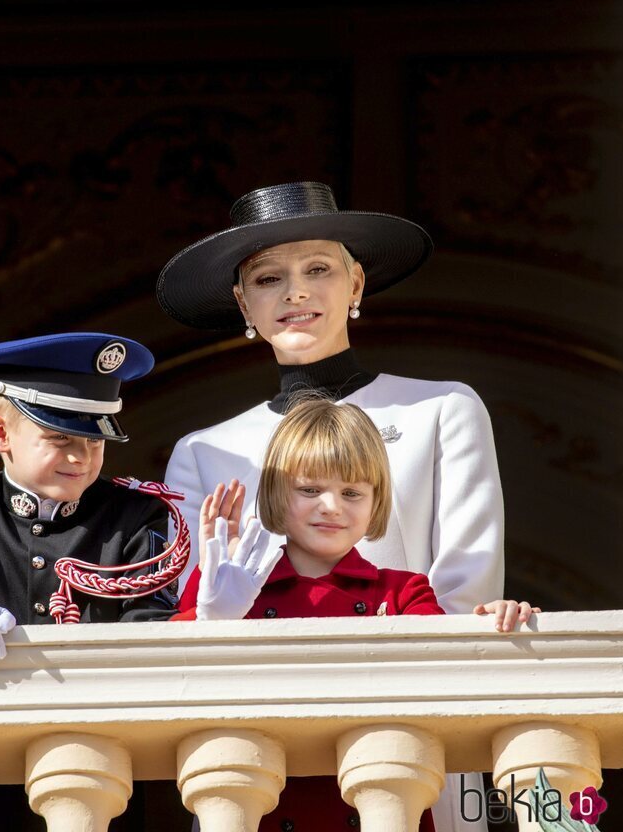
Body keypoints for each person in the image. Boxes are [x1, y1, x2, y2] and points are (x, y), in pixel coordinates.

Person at [157, 181, 504, 832]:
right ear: (243, 303)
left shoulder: (443, 411)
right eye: (268, 278)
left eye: (318, 269)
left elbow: (465, 591)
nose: (295, 293)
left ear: (357, 285)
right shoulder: (203, 453)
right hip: (265, 755)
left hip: (417, 735)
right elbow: (200, 627)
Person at [173, 399, 538, 831]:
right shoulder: (227, 583)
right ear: (274, 493)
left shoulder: (402, 591)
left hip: (380, 807)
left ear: (375, 502)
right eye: (310, 489)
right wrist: (210, 622)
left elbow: (451, 666)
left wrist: (493, 620)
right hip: (261, 809)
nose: (332, 506)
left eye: (352, 492)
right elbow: (175, 679)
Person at [0, 332, 181, 663]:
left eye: (95, 441)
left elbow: (149, 625)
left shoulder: (136, 514)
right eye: (59, 438)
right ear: (0, 434)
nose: (82, 458)